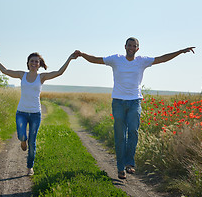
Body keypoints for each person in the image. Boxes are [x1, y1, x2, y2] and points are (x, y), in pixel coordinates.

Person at [75, 37, 195, 179]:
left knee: (133, 131)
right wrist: (82, 55)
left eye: (134, 46)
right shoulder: (116, 59)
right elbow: (96, 60)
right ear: (125, 46)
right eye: (129, 45)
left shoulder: (141, 61)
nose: (131, 48)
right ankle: (121, 168)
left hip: (135, 102)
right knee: (120, 136)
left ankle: (129, 163)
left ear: (137, 49)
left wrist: (180, 52)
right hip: (118, 102)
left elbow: (162, 59)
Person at [0, 46, 78, 176]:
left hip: (36, 114)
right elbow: (5, 71)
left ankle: (29, 167)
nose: (34, 63)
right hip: (21, 112)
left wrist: (70, 58)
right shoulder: (22, 75)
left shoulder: (41, 77)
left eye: (36, 61)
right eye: (32, 61)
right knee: (21, 136)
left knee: (33, 141)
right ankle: (22, 141)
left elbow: (59, 72)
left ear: (39, 64)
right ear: (28, 63)